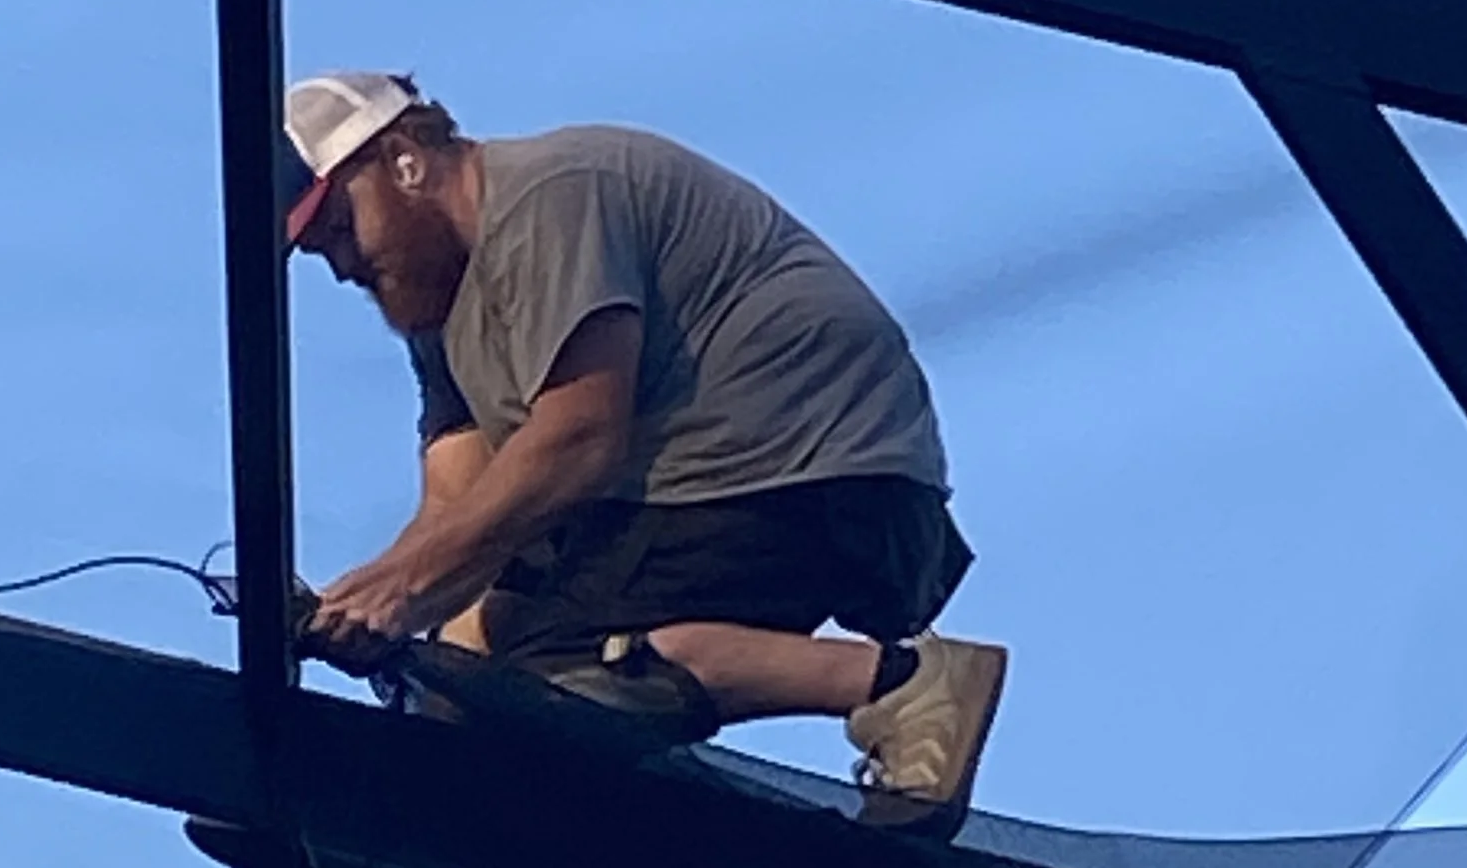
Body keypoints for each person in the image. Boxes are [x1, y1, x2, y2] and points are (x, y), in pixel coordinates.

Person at [285, 71, 1007, 806]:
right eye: (320, 253)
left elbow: (581, 433)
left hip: (814, 467)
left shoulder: (546, 197)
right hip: (696, 484)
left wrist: (405, 592)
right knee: (490, 672)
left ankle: (903, 685)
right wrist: (382, 623)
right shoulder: (438, 308)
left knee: (562, 682)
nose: (343, 267)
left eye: (341, 229)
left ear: (404, 159)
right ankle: (400, 815)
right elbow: (460, 506)